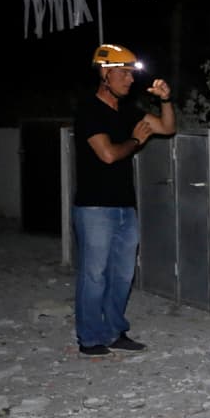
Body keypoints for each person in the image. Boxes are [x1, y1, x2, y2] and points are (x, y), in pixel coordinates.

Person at [72, 43, 176, 356]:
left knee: (122, 274)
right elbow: (108, 154)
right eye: (124, 73)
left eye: (131, 73)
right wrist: (134, 140)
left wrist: (166, 100)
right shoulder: (89, 111)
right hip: (94, 207)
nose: (130, 80)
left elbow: (168, 128)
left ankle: (115, 331)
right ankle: (89, 338)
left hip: (124, 207)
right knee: (94, 274)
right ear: (105, 73)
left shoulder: (128, 111)